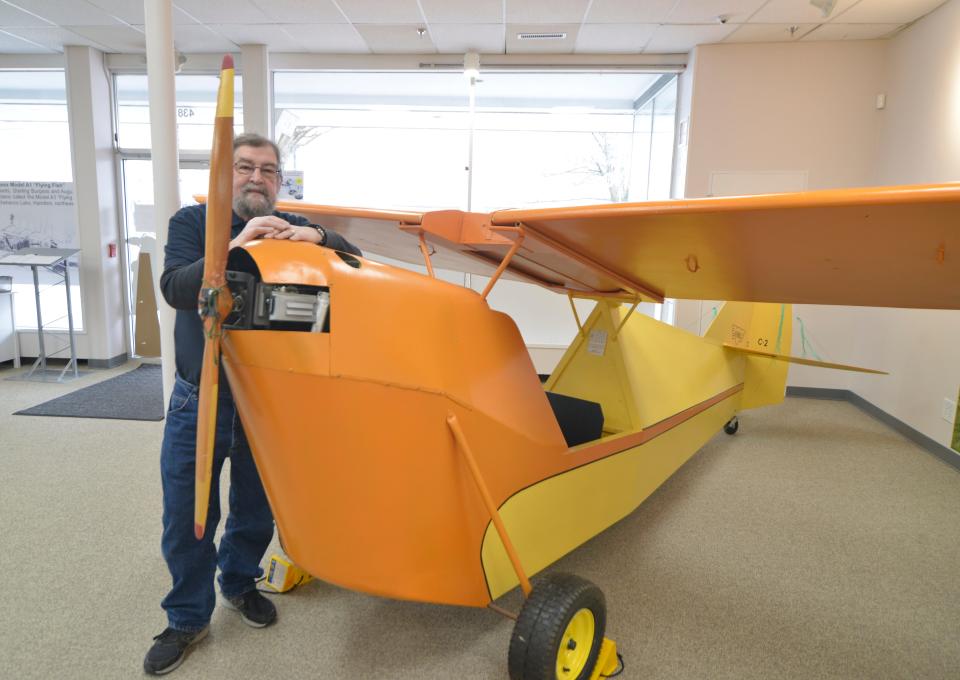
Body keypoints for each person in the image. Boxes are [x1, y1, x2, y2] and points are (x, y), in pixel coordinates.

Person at [144, 133, 361, 675]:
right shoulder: (192, 225)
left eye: (267, 170)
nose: (255, 178)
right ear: (225, 175)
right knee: (187, 514)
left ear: (279, 181)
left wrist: (313, 235)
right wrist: (240, 241)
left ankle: (239, 583)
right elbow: (175, 288)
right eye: (244, 167)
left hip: (269, 402)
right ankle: (187, 617)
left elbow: (353, 261)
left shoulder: (292, 229)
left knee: (256, 507)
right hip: (201, 398)